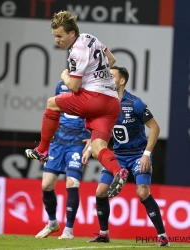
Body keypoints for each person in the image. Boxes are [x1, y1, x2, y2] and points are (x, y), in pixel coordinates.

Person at [25, 10, 128, 197]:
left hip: (93, 100)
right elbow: (112, 60)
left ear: (72, 33)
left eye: (59, 36)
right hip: (111, 102)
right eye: (55, 36)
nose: (57, 40)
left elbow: (73, 85)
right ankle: (118, 171)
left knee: (51, 103)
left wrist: (64, 75)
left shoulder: (76, 52)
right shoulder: (90, 38)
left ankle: (42, 150)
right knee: (98, 149)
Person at [83, 66, 170, 247]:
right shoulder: (104, 104)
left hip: (138, 155)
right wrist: (90, 147)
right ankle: (104, 233)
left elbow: (155, 128)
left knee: (142, 192)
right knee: (100, 191)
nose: (107, 79)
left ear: (122, 81)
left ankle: (162, 236)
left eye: (112, 76)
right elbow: (99, 131)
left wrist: (146, 154)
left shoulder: (135, 103)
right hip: (118, 156)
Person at [35, 80, 90, 240]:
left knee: (72, 183)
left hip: (77, 143)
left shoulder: (88, 87)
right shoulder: (61, 85)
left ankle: (69, 230)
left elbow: (96, 116)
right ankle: (52, 223)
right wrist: (45, 143)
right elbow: (53, 111)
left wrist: (92, 138)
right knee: (46, 184)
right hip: (58, 142)